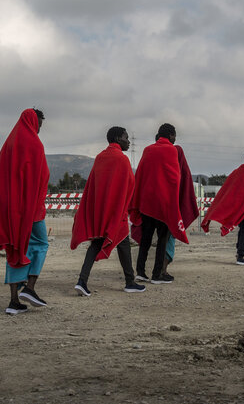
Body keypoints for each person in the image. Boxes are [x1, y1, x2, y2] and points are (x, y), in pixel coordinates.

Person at [70, 127, 145, 296]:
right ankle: (130, 282)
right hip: (116, 212)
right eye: (126, 138)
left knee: (98, 244)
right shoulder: (122, 160)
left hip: (100, 211)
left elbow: (93, 186)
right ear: (118, 138)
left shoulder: (100, 158)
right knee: (123, 243)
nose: (129, 141)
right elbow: (129, 186)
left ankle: (82, 280)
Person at [0, 108, 50, 315]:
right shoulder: (34, 144)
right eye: (39, 126)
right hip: (30, 208)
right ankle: (30, 288)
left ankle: (14, 301)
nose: (39, 130)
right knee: (41, 244)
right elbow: (40, 177)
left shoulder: (9, 144)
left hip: (9, 209)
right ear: (33, 123)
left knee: (15, 248)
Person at [129, 123, 189, 284]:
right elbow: (174, 179)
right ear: (170, 135)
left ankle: (140, 272)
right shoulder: (171, 150)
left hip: (147, 204)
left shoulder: (148, 150)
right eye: (174, 135)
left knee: (146, 240)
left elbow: (140, 174)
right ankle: (157, 275)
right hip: (163, 204)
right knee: (162, 240)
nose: (175, 138)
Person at [201, 153, 244, 265]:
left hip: (239, 208)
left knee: (242, 230)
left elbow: (228, 189)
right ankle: (240, 255)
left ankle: (239, 252)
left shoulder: (237, 172)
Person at [156, 144, 199, 279]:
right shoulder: (178, 159)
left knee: (161, 239)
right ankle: (161, 271)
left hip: (157, 209)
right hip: (170, 210)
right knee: (167, 239)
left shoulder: (159, 161)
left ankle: (154, 271)